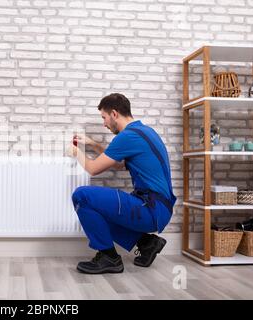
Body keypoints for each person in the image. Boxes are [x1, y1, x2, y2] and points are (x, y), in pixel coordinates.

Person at [70, 93, 176, 274]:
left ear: (114, 114)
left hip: (151, 209)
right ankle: (147, 243)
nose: (104, 123)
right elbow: (120, 164)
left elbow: (93, 168)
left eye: (104, 117)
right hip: (159, 208)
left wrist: (74, 152)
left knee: (81, 196)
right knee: (101, 208)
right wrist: (93, 144)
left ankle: (108, 257)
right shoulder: (143, 131)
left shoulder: (127, 136)